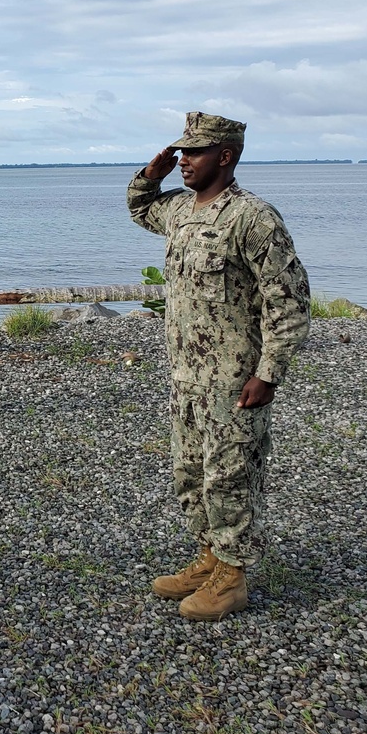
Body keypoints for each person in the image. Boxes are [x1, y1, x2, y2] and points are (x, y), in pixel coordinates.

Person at [127, 112, 310, 621]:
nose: (184, 160)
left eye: (195, 152)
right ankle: (210, 558)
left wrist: (269, 372)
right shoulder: (182, 211)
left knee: (229, 477)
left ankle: (232, 579)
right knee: (190, 475)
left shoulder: (254, 218)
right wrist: (153, 172)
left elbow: (289, 301)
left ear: (226, 156)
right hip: (186, 376)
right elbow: (140, 208)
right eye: (181, 152)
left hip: (234, 380)